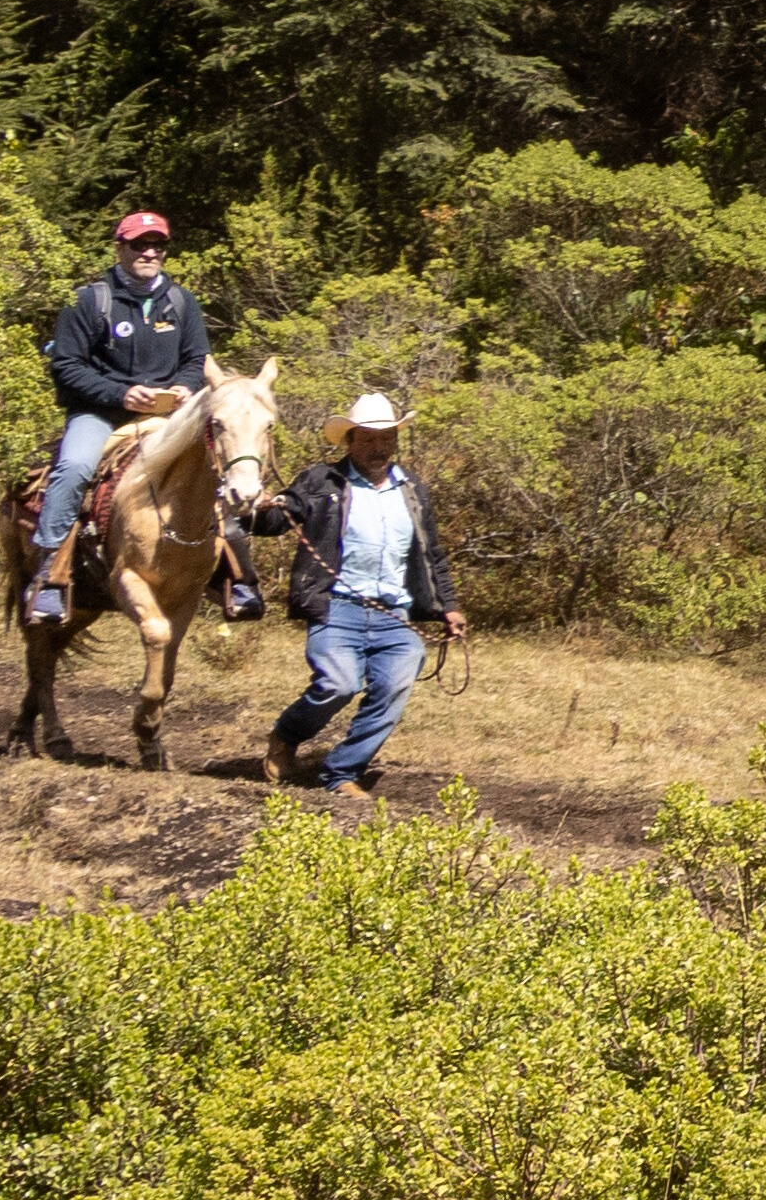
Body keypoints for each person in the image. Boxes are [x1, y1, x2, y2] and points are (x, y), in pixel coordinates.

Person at [237, 389, 455, 800]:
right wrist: (257, 508)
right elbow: (276, 522)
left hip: (394, 613)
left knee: (394, 685)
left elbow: (432, 553)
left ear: (396, 440)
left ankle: (342, 773)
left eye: (386, 437)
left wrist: (450, 608)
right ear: (350, 440)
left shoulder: (412, 489)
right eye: (369, 438)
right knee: (338, 683)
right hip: (336, 607)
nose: (378, 446)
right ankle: (286, 736)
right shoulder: (322, 481)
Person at [26, 205, 212, 631]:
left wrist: (185, 386)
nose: (149, 253)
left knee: (220, 464)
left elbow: (197, 359)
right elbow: (67, 365)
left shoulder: (181, 302)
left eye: (157, 245)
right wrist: (122, 393)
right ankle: (49, 571)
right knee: (73, 468)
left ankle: (235, 573)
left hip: (168, 415)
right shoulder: (89, 300)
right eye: (139, 244)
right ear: (120, 247)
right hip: (101, 413)